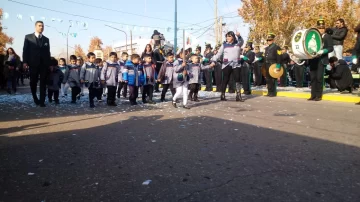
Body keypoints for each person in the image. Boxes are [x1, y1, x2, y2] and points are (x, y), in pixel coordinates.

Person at [22, 21, 51, 107]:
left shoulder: (46, 39)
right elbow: (25, 50)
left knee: (43, 82)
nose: (41, 27)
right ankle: (35, 97)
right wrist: (25, 62)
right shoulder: (28, 37)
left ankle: (42, 101)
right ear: (35, 27)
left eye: (42, 26)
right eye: (39, 26)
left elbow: (48, 52)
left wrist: (49, 64)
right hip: (33, 64)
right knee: (33, 82)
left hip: (44, 65)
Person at [211, 31, 244, 101]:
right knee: (225, 79)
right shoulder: (224, 45)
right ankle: (222, 95)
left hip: (236, 64)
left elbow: (242, 41)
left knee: (238, 80)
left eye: (229, 36)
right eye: (227, 36)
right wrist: (214, 61)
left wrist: (239, 36)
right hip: (227, 64)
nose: (227, 37)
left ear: (233, 37)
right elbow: (218, 54)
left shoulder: (238, 43)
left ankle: (238, 95)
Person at [308, 18, 334, 101]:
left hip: (321, 59)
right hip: (313, 59)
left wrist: (323, 51)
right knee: (313, 78)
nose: (321, 29)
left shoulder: (327, 36)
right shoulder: (314, 36)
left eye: (322, 28)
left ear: (324, 28)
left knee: (319, 78)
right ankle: (313, 95)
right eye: (319, 28)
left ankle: (318, 95)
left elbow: (331, 48)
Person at [264, 33, 282, 97]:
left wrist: (278, 66)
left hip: (273, 65)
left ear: (273, 40)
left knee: (273, 79)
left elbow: (279, 57)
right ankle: (269, 92)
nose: (269, 41)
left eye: (270, 40)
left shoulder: (277, 47)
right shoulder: (266, 48)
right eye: (268, 40)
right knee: (268, 79)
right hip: (267, 65)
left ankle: (273, 92)